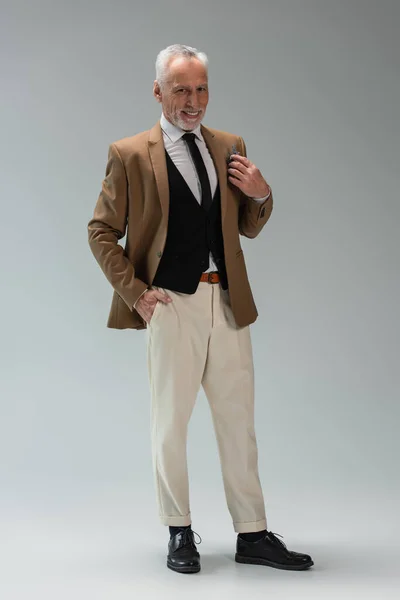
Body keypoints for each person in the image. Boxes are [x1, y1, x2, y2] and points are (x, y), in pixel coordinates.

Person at [88, 43, 313, 575]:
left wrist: (261, 194)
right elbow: (101, 231)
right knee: (171, 423)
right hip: (172, 304)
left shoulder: (228, 145)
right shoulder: (129, 154)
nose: (193, 101)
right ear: (158, 90)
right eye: (182, 89)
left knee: (239, 422)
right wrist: (136, 293)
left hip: (227, 299)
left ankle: (253, 534)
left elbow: (246, 226)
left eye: (202, 88)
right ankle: (179, 530)